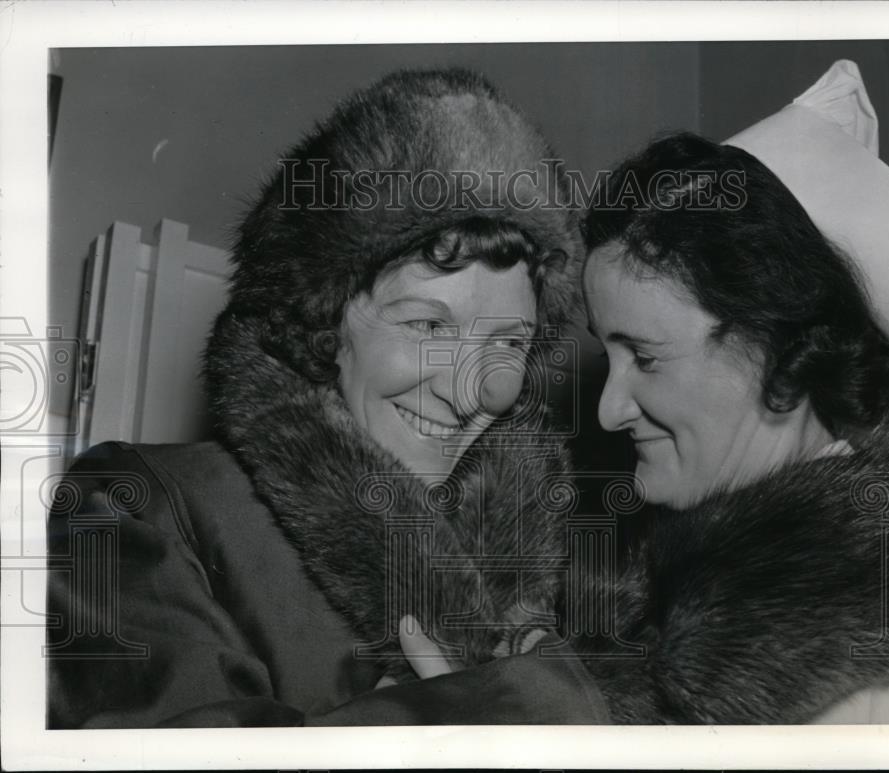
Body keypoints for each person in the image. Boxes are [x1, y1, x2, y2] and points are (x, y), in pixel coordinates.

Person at [47, 68, 609, 727]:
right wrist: (508, 709)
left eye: (509, 343)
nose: (467, 391)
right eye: (427, 324)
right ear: (324, 324)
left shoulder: (562, 570)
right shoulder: (132, 504)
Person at [567, 131, 889, 723]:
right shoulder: (702, 577)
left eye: (644, 357)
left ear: (778, 352)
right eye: (608, 356)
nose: (608, 409)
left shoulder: (860, 649)